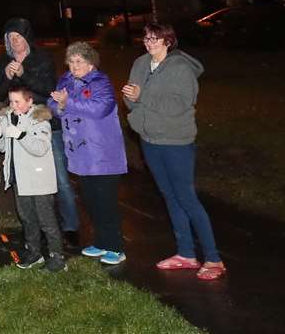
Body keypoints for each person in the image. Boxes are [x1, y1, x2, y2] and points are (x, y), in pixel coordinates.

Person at [122, 23, 224, 281]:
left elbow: (179, 104)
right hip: (149, 139)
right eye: (146, 38)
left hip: (176, 142)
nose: (150, 42)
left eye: (156, 38)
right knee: (169, 197)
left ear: (168, 41)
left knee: (186, 198)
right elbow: (130, 97)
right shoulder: (141, 63)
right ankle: (186, 254)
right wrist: (133, 100)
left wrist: (142, 96)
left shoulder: (180, 68)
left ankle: (213, 258)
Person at [0, 16, 80, 248]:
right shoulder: (4, 61)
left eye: (18, 36)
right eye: (10, 38)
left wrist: (23, 75)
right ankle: (35, 230)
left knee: (59, 178)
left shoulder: (42, 58)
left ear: (27, 37)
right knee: (27, 179)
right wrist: (6, 77)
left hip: (44, 122)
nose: (15, 41)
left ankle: (70, 227)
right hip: (18, 126)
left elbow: (49, 89)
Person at [49, 41, 128, 265]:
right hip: (81, 155)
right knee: (91, 200)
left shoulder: (100, 82)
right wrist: (60, 106)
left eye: (80, 62)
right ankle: (102, 242)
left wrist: (68, 102)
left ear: (91, 63)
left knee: (106, 201)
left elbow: (100, 108)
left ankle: (116, 247)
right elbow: (52, 104)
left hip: (102, 152)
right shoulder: (65, 80)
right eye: (71, 62)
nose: (74, 66)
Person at [0, 84, 65, 272]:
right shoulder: (8, 118)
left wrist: (21, 135)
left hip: (39, 180)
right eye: (11, 101)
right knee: (27, 219)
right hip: (20, 179)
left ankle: (57, 257)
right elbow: (2, 148)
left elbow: (40, 148)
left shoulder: (40, 120)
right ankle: (34, 253)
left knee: (46, 220)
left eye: (17, 101)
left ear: (29, 101)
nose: (13, 105)